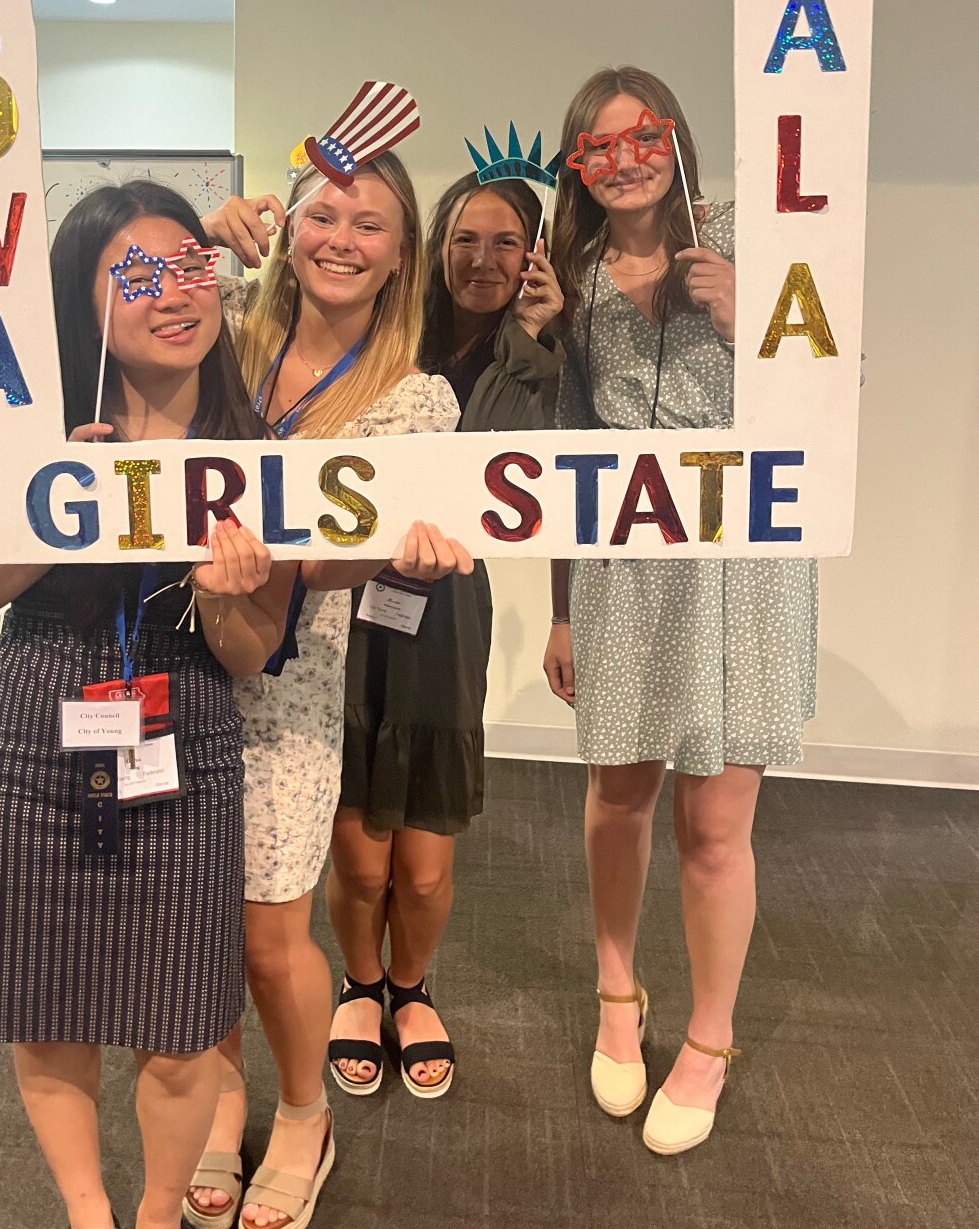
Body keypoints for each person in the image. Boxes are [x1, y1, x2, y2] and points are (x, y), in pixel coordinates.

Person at [0, 181, 298, 1229]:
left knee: (181, 1022)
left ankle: (158, 1210)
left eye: (189, 266)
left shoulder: (251, 450)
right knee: (46, 1005)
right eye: (136, 275)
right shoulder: (22, 431)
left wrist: (224, 596)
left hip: (187, 738)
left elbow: (250, 654)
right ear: (81, 301)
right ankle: (90, 1213)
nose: (173, 294)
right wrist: (47, 521)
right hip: (33, 737)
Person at [187, 155, 472, 1229]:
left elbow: (337, 559)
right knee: (196, 921)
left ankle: (304, 1114)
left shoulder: (414, 397)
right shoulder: (219, 325)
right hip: (168, 656)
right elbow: (97, 312)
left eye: (371, 224)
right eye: (324, 214)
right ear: (286, 225)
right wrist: (196, 243)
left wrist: (395, 554)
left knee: (270, 933)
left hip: (289, 679)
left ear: (403, 255)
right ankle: (222, 1101)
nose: (341, 239)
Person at [541, 67, 817, 1156]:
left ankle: (709, 1037)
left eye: (641, 137)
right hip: (622, 562)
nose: (623, 162)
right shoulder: (574, 277)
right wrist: (560, 609)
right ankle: (618, 992)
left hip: (742, 566)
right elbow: (562, 452)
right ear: (578, 167)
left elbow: (836, 387)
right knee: (619, 794)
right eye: (597, 149)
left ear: (676, 138)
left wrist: (756, 317)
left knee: (715, 823)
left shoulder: (756, 240)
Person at [327, 172, 564, 1101]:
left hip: (449, 608)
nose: (483, 260)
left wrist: (531, 340)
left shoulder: (537, 357)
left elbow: (489, 473)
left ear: (535, 255)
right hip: (344, 596)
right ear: (436, 245)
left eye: (507, 242)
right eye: (466, 238)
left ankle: (412, 988)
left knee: (422, 873)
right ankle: (360, 986)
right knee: (359, 855)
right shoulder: (389, 328)